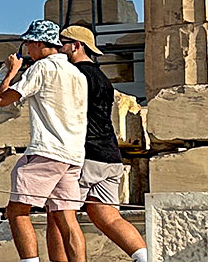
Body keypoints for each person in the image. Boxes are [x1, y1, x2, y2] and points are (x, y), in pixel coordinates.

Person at [0, 21, 87, 262]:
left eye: (28, 44)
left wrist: (12, 71)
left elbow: (2, 99)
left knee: (16, 211)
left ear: (37, 43)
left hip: (47, 150)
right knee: (67, 217)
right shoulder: (77, 73)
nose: (27, 50)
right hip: (74, 152)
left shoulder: (42, 68)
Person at [56, 27, 146, 262]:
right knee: (107, 215)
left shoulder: (74, 75)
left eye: (61, 43)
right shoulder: (102, 78)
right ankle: (145, 258)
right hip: (110, 155)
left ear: (76, 45)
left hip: (86, 154)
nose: (57, 48)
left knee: (59, 215)